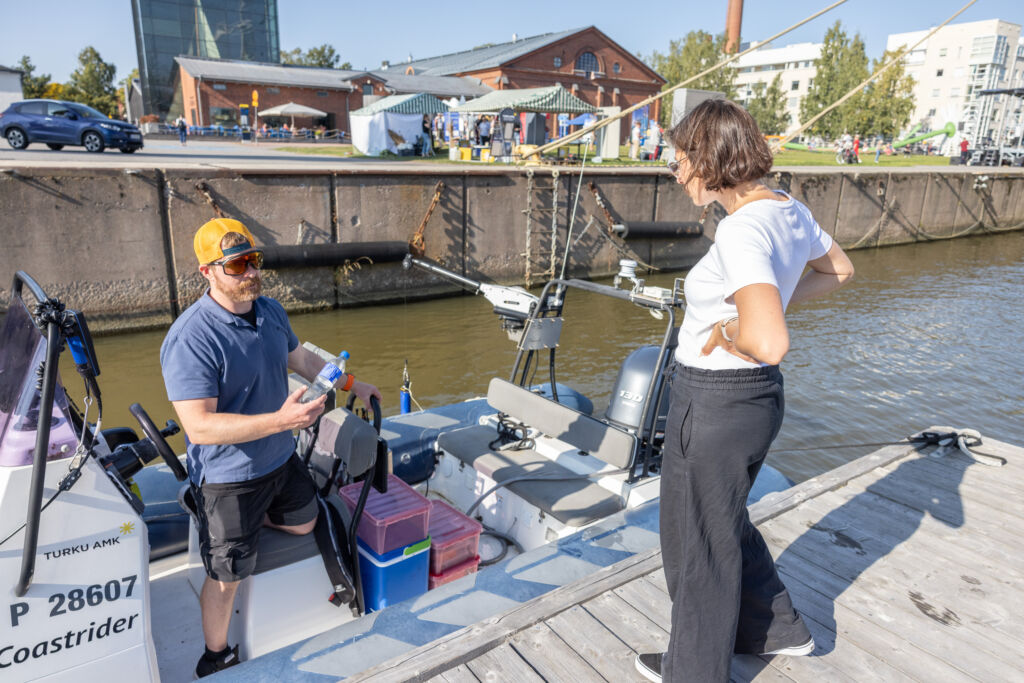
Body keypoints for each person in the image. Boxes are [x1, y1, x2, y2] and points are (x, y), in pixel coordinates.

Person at [635, 99, 854, 683]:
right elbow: (839, 270)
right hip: (753, 401)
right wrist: (768, 310)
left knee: (696, 543)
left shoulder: (739, 230)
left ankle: (694, 673)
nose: (676, 172)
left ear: (709, 159)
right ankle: (778, 629)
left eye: (680, 160)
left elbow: (770, 341)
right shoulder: (785, 208)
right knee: (719, 521)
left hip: (715, 401)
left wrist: (740, 328)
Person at [160, 218, 381, 678]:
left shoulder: (270, 310)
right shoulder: (190, 339)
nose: (250, 273)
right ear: (207, 271)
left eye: (254, 260)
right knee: (228, 576)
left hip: (280, 459)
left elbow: (301, 360)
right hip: (229, 478)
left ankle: (250, 522)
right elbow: (198, 428)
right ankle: (215, 655)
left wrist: (354, 383)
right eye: (237, 265)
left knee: (305, 524)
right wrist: (281, 420)